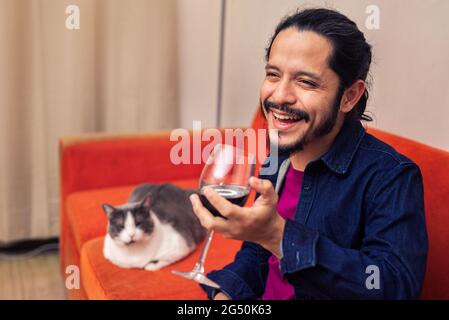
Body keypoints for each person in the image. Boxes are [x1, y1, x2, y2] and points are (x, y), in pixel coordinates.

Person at [189, 8, 428, 300]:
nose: (279, 96)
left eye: (306, 82)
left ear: (349, 96)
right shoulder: (278, 153)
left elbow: (394, 286)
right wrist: (227, 294)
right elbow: (256, 253)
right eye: (273, 75)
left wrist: (278, 235)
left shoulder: (391, 175)